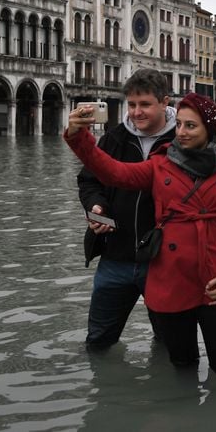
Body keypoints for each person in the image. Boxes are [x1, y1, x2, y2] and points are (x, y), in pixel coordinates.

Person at [65, 93, 216, 377]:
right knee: (181, 366)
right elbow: (114, 173)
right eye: (179, 124)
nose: (181, 132)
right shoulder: (161, 164)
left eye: (190, 126)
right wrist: (78, 136)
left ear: (210, 128)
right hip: (171, 279)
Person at [78, 68, 177, 350]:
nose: (136, 112)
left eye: (145, 104)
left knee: (170, 343)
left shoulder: (182, 142)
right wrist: (96, 207)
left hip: (163, 262)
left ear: (164, 102)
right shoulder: (113, 139)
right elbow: (89, 181)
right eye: (132, 105)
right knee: (98, 342)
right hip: (115, 257)